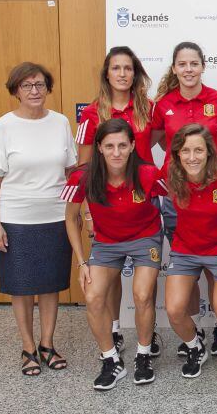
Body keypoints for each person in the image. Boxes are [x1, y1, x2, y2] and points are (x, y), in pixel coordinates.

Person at [151, 42, 217, 356]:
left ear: (203, 66)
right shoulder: (163, 103)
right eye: (182, 64)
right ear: (175, 68)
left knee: (216, 262)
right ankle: (196, 332)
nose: (188, 70)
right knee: (187, 266)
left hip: (215, 195)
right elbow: (159, 142)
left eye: (194, 63)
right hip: (178, 195)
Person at [63, 119, 166, 390]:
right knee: (93, 296)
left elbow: (177, 195)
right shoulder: (82, 176)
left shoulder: (148, 174)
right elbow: (70, 218)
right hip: (106, 243)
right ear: (99, 148)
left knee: (143, 294)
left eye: (122, 145)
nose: (116, 152)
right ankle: (111, 360)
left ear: (133, 146)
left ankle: (143, 355)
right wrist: (81, 261)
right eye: (109, 146)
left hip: (145, 237)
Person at [74, 46, 161, 357]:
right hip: (105, 207)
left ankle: (145, 338)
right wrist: (88, 215)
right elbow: (84, 169)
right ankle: (113, 329)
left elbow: (152, 148)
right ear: (106, 74)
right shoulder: (91, 113)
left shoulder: (149, 107)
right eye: (116, 68)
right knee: (106, 282)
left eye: (128, 68)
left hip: (142, 202)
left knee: (142, 290)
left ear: (135, 73)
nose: (123, 74)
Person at [0, 62, 76, 375]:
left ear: (48, 87)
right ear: (16, 91)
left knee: (51, 284)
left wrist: (76, 213)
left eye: (40, 84)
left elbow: (69, 172)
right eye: (27, 86)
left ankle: (47, 344)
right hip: (16, 218)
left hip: (55, 216)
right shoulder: (3, 127)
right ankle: (27, 348)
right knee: (22, 287)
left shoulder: (60, 123)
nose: (34, 91)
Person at [163, 124, 217, 379]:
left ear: (210, 152)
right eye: (185, 151)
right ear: (177, 154)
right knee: (175, 310)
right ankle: (195, 347)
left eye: (198, 150)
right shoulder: (172, 176)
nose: (192, 157)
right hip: (185, 250)